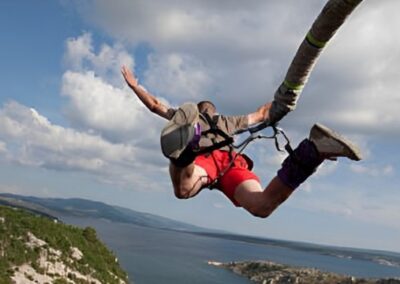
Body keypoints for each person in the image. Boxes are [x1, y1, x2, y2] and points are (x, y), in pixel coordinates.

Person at [121, 65, 362, 218]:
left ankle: (185, 153)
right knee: (260, 206)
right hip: (224, 164)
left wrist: (135, 86)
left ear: (200, 111)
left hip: (213, 163)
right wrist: (283, 99)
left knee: (187, 191)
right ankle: (312, 153)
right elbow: (260, 114)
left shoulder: (203, 119)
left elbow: (155, 105)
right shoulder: (227, 121)